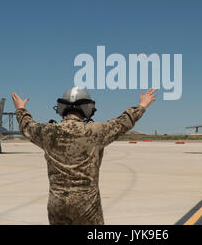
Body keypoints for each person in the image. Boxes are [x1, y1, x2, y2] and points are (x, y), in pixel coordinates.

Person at [11, 87, 157, 225]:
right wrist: (142, 105)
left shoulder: (48, 132)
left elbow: (27, 126)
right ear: (87, 108)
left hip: (57, 204)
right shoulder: (96, 131)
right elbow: (123, 122)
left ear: (62, 108)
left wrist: (21, 109)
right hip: (87, 205)